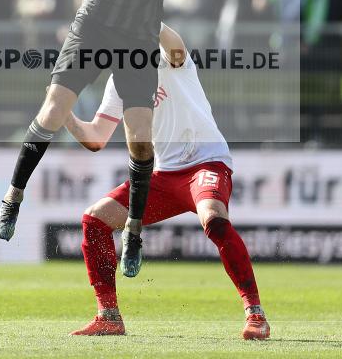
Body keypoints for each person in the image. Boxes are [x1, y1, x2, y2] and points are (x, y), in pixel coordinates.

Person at [0, 0, 271, 278]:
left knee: (140, 141)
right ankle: (12, 199)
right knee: (51, 111)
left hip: (138, 37)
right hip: (94, 26)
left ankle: (133, 233)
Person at [63, 24, 270, 340]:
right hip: (162, 176)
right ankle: (109, 316)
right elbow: (96, 138)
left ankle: (255, 314)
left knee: (213, 220)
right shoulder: (119, 84)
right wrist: (63, 113)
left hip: (205, 163)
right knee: (95, 219)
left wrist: (140, 13)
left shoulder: (169, 59)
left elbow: (174, 42)